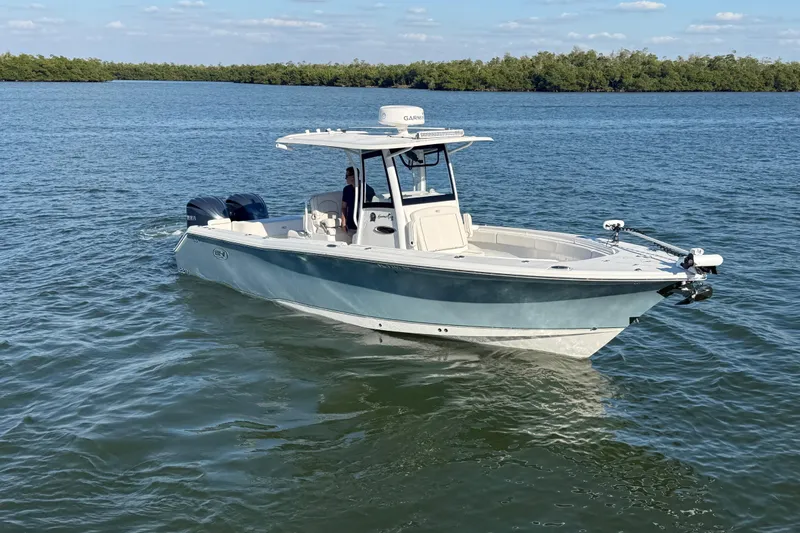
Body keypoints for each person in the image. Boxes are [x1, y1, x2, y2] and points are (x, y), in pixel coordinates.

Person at [341, 166, 376, 232]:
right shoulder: (346, 190)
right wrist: (343, 222)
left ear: (353, 177)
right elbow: (343, 207)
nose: (345, 178)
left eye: (346, 176)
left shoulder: (367, 190)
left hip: (363, 225)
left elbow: (371, 209)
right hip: (350, 225)